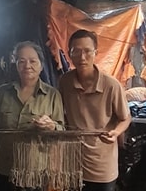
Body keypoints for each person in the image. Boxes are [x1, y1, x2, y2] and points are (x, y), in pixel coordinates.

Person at [0, 41, 65, 191]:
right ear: (16, 65)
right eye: (21, 61)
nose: (27, 65)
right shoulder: (2, 92)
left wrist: (52, 126)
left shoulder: (52, 95)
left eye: (33, 61)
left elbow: (62, 132)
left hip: (36, 171)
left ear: (41, 66)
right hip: (5, 167)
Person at [59, 30, 131, 191]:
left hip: (101, 165)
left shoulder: (111, 85)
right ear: (69, 54)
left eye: (87, 51)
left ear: (96, 52)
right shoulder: (65, 82)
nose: (82, 57)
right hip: (72, 161)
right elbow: (59, 113)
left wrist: (116, 133)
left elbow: (125, 118)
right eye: (76, 51)